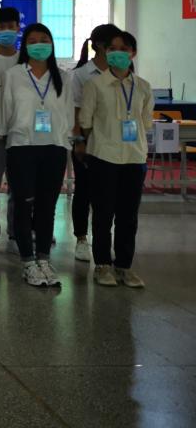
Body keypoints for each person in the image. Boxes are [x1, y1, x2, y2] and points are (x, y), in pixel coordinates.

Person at [80, 30, 153, 289]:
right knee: (103, 214)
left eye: (123, 48)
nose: (117, 53)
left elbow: (146, 122)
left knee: (128, 216)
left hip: (134, 157)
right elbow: (85, 121)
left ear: (133, 53)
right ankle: (102, 265)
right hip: (104, 156)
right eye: (112, 49)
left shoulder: (143, 87)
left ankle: (124, 265)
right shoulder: (95, 85)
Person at [2, 23, 72, 288]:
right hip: (22, 146)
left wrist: (65, 141)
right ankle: (28, 262)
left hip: (54, 147)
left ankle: (44, 258)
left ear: (52, 44)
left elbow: (67, 114)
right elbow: (6, 110)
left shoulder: (63, 77)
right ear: (25, 45)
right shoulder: (14, 75)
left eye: (44, 39)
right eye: (32, 40)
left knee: (47, 206)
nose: (39, 44)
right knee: (23, 204)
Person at [70, 23, 121, 264]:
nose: (118, 50)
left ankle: (106, 240)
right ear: (100, 45)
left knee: (110, 194)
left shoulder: (120, 71)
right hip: (88, 141)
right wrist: (79, 140)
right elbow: (75, 111)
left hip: (114, 141)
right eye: (114, 45)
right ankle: (81, 238)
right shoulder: (81, 74)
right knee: (84, 190)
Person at [0, 6, 21, 253]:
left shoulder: (25, 60)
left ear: (18, 28)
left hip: (20, 134)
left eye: (10, 26)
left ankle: (17, 230)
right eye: (1, 27)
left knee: (20, 187)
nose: (6, 31)